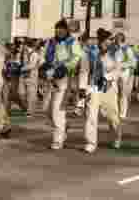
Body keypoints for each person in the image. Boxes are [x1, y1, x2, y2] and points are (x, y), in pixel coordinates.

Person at [41, 20, 83, 150]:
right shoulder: (51, 41)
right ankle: (64, 126)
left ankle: (58, 140)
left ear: (66, 30)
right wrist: (43, 65)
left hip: (64, 79)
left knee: (57, 111)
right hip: (50, 78)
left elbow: (77, 56)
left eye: (61, 29)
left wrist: (65, 67)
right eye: (57, 29)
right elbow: (44, 55)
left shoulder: (72, 42)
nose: (59, 31)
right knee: (47, 110)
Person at [80, 28, 123, 153]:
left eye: (110, 40)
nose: (108, 42)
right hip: (94, 87)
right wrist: (82, 87)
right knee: (90, 115)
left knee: (112, 116)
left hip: (108, 88)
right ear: (100, 41)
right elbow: (85, 71)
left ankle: (116, 137)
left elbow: (118, 70)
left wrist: (107, 77)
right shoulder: (90, 53)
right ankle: (90, 142)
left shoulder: (116, 52)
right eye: (106, 40)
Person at [113, 33, 136, 119]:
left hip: (123, 73)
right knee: (114, 92)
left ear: (120, 39)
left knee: (123, 93)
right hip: (115, 72)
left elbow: (132, 62)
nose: (115, 40)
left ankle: (122, 113)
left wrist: (123, 66)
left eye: (116, 38)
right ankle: (116, 110)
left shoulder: (127, 49)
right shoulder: (115, 48)